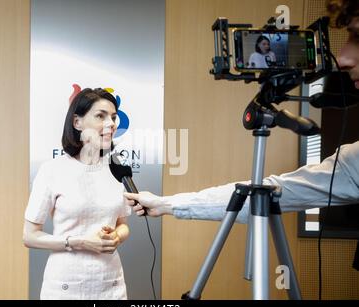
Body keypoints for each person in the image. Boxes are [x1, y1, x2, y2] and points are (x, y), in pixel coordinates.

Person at [125, 0, 359, 223]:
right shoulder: (354, 161)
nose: (343, 58)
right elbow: (277, 192)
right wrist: (167, 204)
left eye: (358, 37)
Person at [23, 88, 131, 300]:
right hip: (65, 286)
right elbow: (29, 236)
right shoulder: (52, 170)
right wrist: (80, 242)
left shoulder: (116, 171)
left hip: (111, 285)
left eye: (114, 117)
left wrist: (117, 237)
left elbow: (123, 224)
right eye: (101, 116)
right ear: (77, 123)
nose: (111, 123)